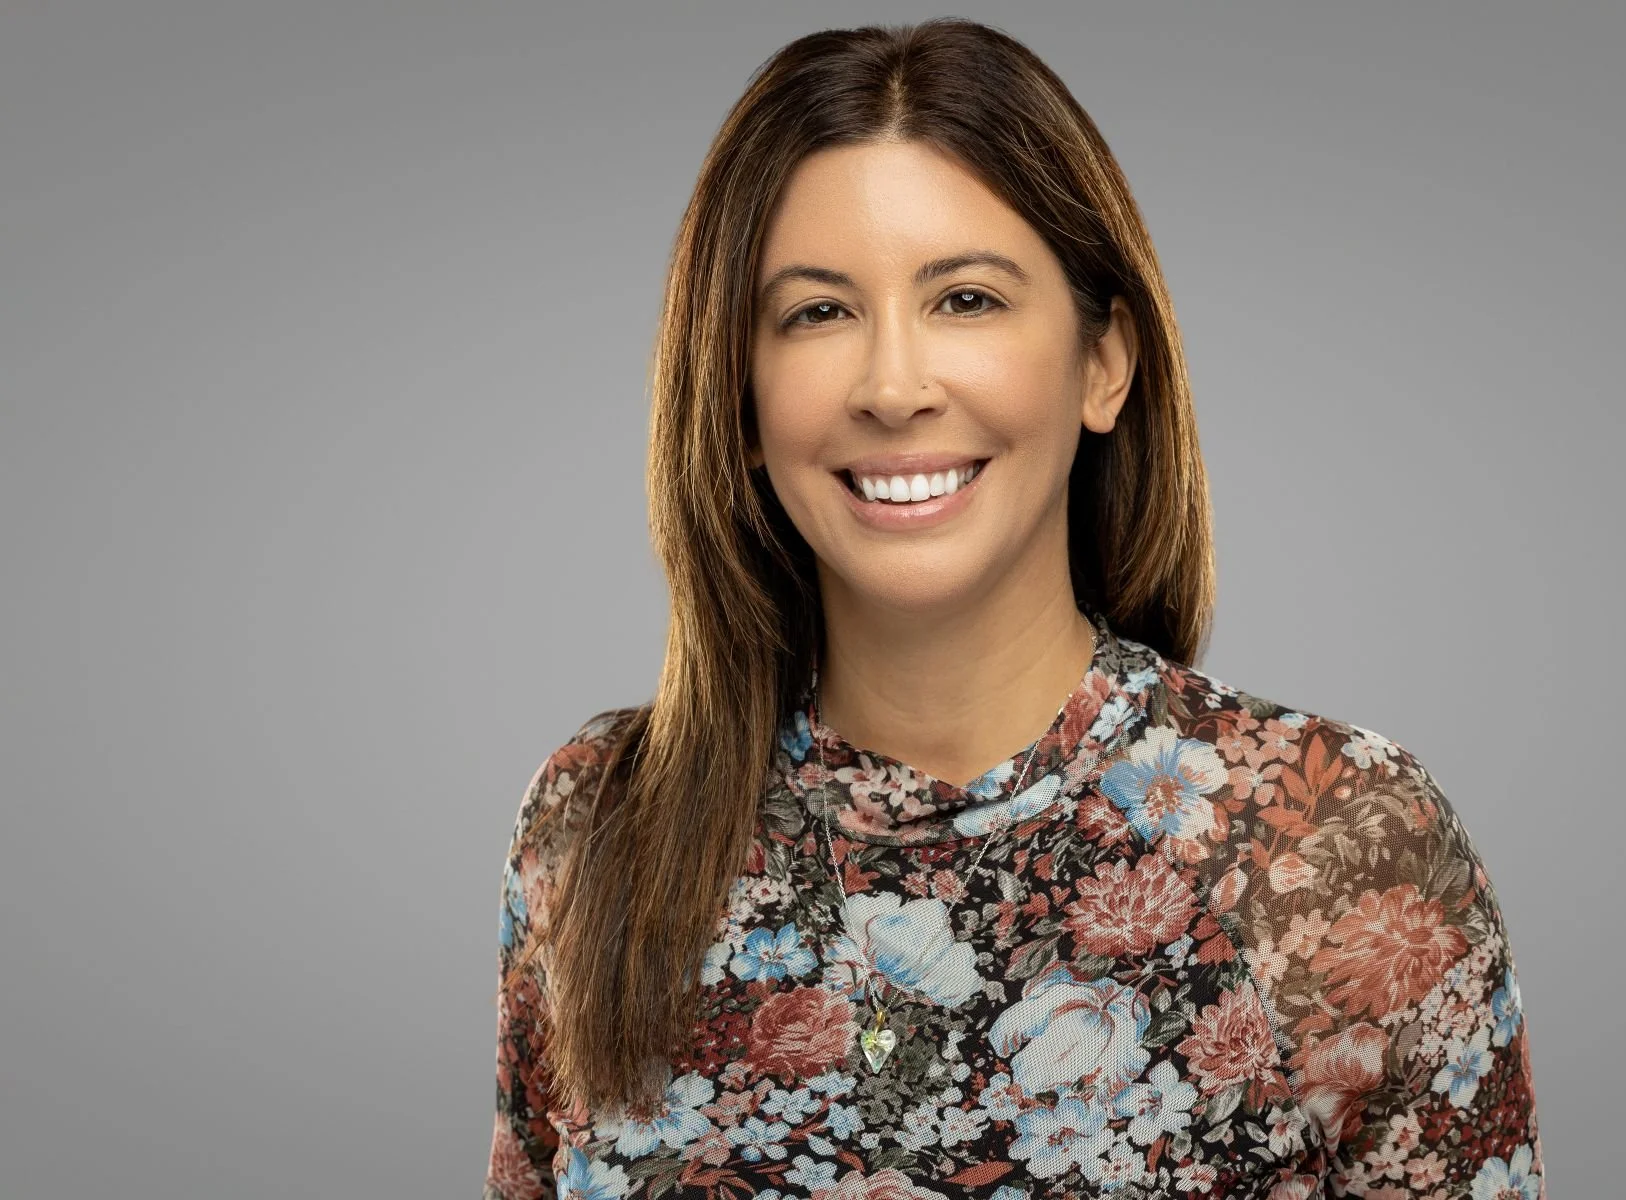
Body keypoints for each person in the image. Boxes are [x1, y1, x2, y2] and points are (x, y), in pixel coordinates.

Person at [485, 17, 1542, 1200]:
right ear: (738, 400)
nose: (893, 387)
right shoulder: (595, 830)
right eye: (818, 313)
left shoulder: (1339, 853)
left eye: (967, 299)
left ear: (1105, 364)